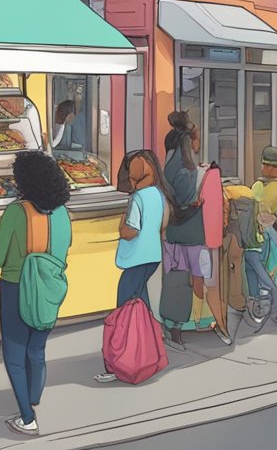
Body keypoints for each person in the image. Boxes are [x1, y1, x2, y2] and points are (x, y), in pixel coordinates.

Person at [0, 152, 71, 437]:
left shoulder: (16, 212)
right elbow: (64, 249)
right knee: (38, 350)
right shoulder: (63, 213)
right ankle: (33, 400)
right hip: (50, 288)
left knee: (15, 355)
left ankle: (27, 418)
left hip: (16, 287)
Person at [95, 150, 168, 384]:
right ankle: (148, 356)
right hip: (152, 255)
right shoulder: (157, 193)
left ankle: (119, 363)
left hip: (135, 257)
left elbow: (131, 230)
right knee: (142, 307)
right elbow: (162, 224)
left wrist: (120, 227)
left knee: (123, 311)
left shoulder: (137, 198)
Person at [161, 114, 230, 348]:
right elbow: (191, 201)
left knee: (177, 281)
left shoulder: (168, 168)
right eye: (196, 139)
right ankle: (204, 323)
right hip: (195, 236)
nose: (198, 143)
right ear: (188, 143)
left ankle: (177, 325)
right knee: (202, 279)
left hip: (173, 236)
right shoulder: (190, 173)